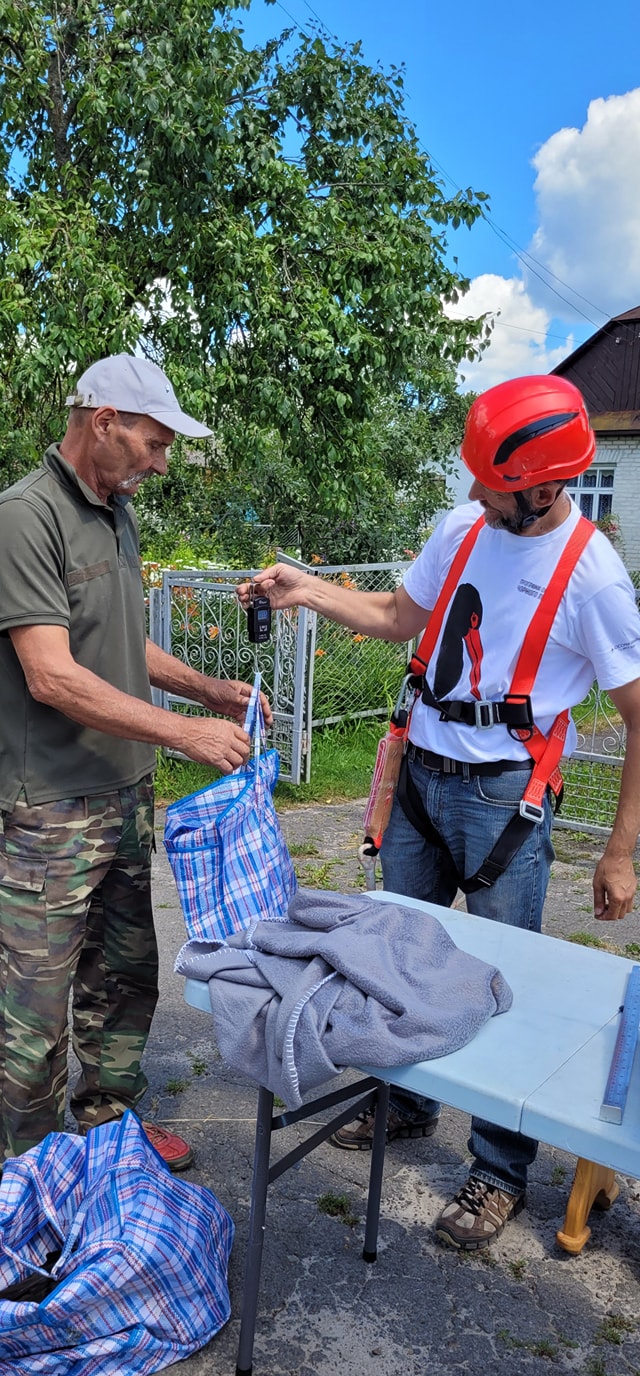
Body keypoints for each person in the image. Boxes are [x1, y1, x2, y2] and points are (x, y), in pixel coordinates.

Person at [238, 374, 640, 1248]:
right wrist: (303, 589)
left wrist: (620, 851)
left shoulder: (593, 578)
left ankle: (498, 1171)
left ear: (542, 486)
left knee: (504, 988)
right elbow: (394, 613)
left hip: (506, 801)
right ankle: (411, 1101)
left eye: (490, 482)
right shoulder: (465, 527)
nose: (472, 493)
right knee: (398, 960)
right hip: (420, 777)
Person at [0, 353, 271, 1174]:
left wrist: (207, 690)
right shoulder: (25, 516)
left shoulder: (117, 511)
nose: (158, 464)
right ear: (104, 421)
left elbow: (121, 643)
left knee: (122, 975)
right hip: (49, 806)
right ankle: (34, 1178)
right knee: (34, 1010)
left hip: (121, 794)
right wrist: (182, 736)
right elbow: (51, 672)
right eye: (152, 443)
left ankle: (109, 1123)